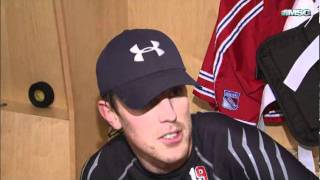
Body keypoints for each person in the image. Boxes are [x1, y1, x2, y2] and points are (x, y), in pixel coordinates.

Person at [80, 29, 317, 180]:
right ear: (110, 114)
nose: (170, 114)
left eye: (175, 91)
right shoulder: (103, 171)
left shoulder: (227, 141)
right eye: (146, 101)